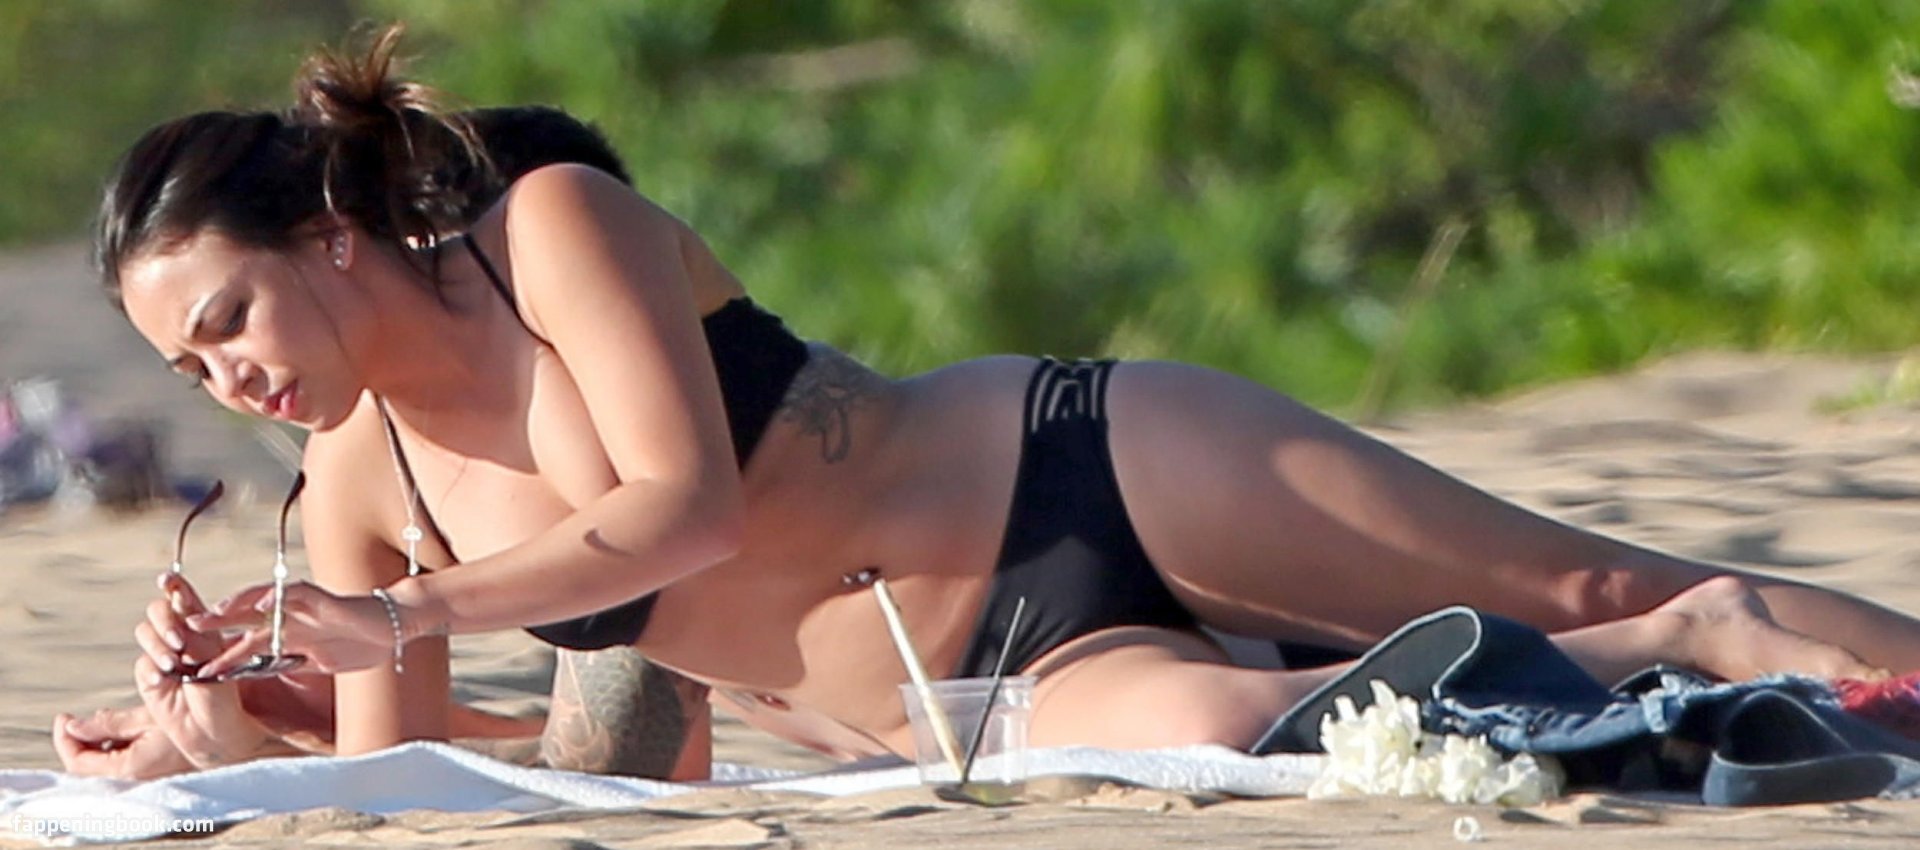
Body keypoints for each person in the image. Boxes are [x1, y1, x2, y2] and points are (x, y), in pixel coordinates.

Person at [57, 25, 1920, 783]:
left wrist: (398, 620)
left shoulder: (550, 232)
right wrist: (229, 735)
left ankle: (1774, 648)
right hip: (1002, 692)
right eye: (188, 369)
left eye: (229, 319)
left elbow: (682, 510)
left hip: (1074, 464)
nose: (229, 378)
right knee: (1274, 726)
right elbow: (442, 787)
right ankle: (1699, 682)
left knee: (1605, 589)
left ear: (326, 232)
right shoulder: (353, 497)